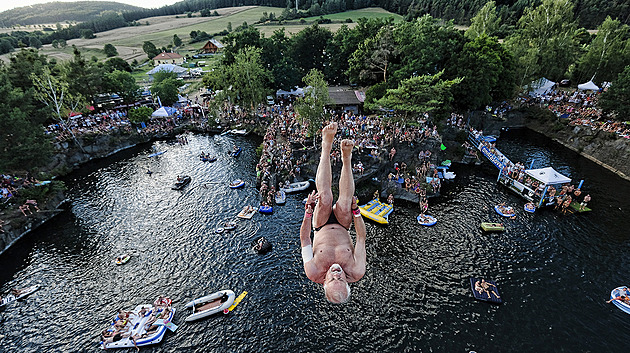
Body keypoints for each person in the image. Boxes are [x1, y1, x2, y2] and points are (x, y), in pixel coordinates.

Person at [300, 122, 366, 304]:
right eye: (341, 279)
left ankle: (326, 146)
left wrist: (308, 212)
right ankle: (347, 157)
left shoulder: (312, 271)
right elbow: (361, 238)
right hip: (343, 224)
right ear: (348, 282)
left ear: (324, 283)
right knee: (345, 203)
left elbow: (305, 239)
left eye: (332, 279)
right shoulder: (357, 269)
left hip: (320, 225)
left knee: (326, 197)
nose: (337, 274)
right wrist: (356, 213)